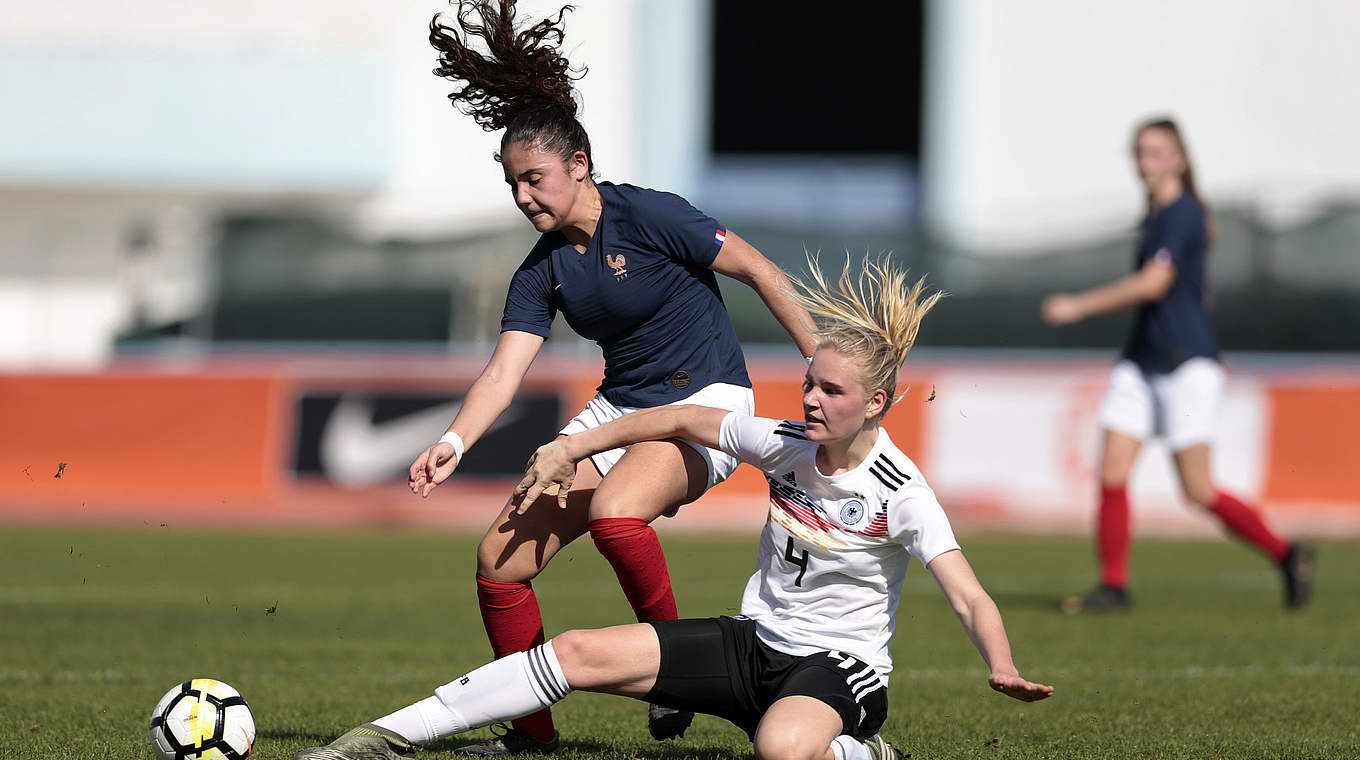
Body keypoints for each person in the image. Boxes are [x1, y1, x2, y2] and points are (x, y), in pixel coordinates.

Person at [296, 255, 1053, 760]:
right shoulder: (785, 441)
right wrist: (572, 449)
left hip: (836, 668)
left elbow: (969, 594)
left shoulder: (904, 494)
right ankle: (382, 738)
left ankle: (867, 752)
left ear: (877, 403)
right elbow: (683, 419)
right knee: (577, 652)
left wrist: (1003, 663)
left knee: (783, 751)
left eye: (831, 392)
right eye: (810, 383)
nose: (810, 399)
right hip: (753, 644)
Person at [406, 2, 820, 752]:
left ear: (580, 166)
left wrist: (822, 365)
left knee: (616, 513)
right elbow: (503, 372)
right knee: (498, 563)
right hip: (620, 409)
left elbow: (759, 270)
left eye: (535, 179)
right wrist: (454, 441)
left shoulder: (654, 216)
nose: (525, 197)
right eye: (513, 186)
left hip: (708, 404)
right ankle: (532, 737)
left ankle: (676, 670)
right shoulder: (542, 272)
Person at [1040, 117, 1315, 613]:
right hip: (1143, 359)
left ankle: (1288, 552)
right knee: (1112, 469)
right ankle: (1114, 586)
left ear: (1178, 159)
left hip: (1183, 363)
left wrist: (1078, 306)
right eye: (1140, 153)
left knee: (1198, 489)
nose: (1145, 163)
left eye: (1155, 153)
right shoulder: (1158, 215)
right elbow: (1196, 293)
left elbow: (1155, 284)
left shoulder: (1180, 213)